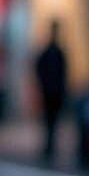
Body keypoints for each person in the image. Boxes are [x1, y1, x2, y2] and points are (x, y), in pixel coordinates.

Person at [34, 19, 68, 163]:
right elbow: (39, 68)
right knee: (49, 120)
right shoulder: (49, 52)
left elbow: (64, 72)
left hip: (55, 91)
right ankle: (48, 145)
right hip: (49, 91)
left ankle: (50, 145)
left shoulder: (58, 52)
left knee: (53, 120)